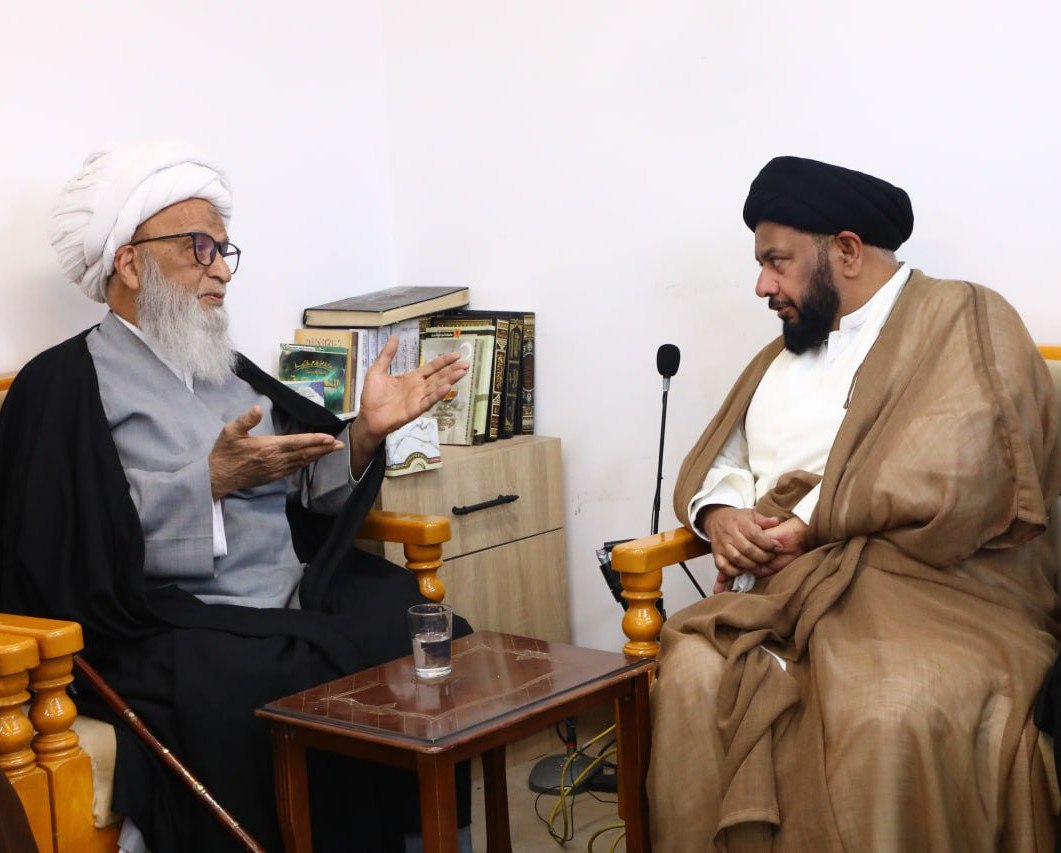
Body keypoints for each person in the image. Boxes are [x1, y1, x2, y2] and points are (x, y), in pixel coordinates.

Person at [0, 140, 474, 853]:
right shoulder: (63, 384)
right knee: (280, 679)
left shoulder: (226, 368)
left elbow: (305, 486)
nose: (221, 269)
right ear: (129, 263)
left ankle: (429, 841)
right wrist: (209, 482)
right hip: (165, 620)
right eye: (199, 248)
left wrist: (363, 435)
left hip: (289, 595)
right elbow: (58, 548)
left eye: (224, 250)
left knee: (426, 629)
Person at [648, 155, 1061, 851]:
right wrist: (722, 517)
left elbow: (969, 460)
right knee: (691, 673)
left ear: (844, 250)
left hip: (938, 593)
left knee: (885, 708)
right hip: (784, 596)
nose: (761, 285)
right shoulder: (781, 357)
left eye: (776, 262)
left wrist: (811, 524)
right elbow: (721, 458)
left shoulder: (963, 315)